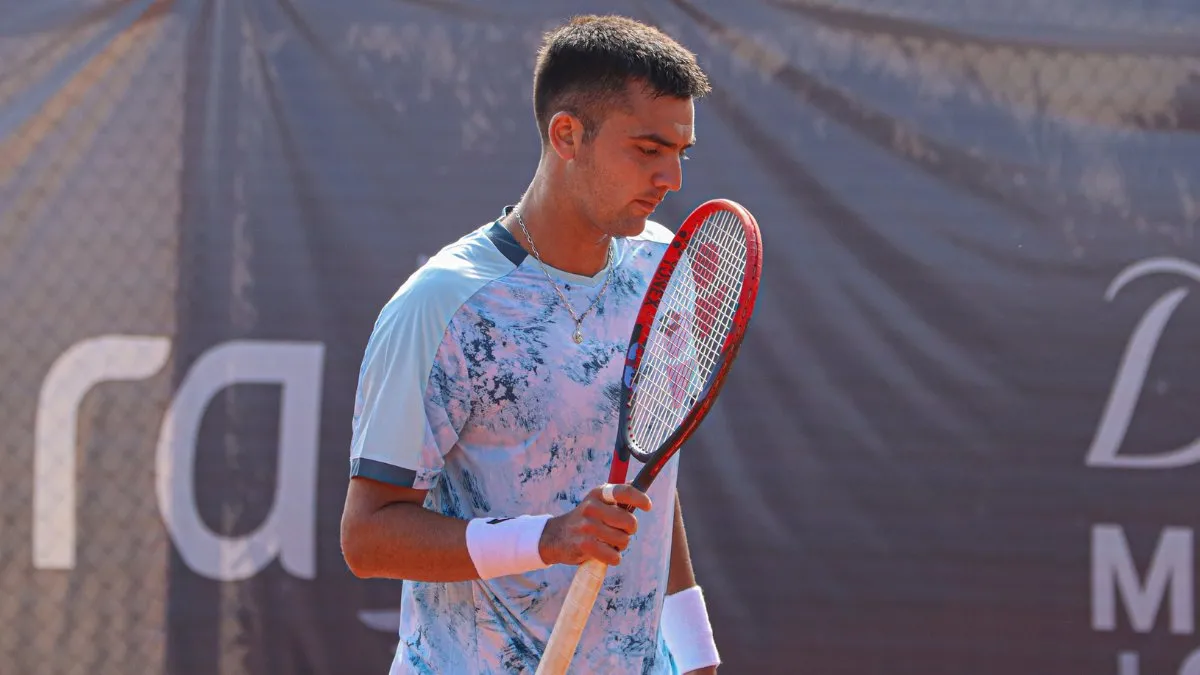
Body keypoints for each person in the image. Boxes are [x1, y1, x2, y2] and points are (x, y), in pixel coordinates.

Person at [340, 14, 720, 675]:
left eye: (679, 154)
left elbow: (647, 476)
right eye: (647, 149)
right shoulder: (442, 307)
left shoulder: (664, 274)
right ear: (567, 135)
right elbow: (368, 536)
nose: (671, 179)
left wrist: (694, 652)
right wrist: (547, 538)